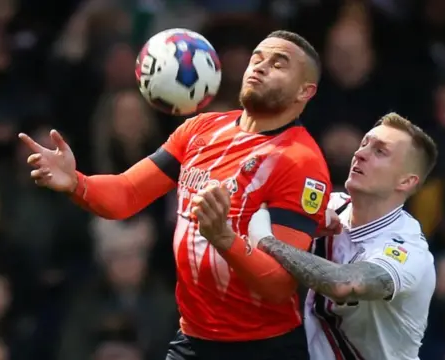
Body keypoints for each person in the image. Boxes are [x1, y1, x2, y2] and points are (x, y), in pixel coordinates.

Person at [18, 30, 331, 360]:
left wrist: (224, 238)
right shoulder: (199, 130)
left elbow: (279, 284)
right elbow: (126, 194)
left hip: (263, 347)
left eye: (279, 64)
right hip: (193, 338)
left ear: (305, 91)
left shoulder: (300, 161)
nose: (261, 66)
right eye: (257, 57)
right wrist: (75, 182)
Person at [248, 113, 438, 359]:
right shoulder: (330, 206)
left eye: (380, 152)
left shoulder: (407, 250)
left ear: (406, 181)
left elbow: (343, 284)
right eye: (364, 144)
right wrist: (301, 226)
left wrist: (267, 240)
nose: (360, 154)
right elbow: (255, 207)